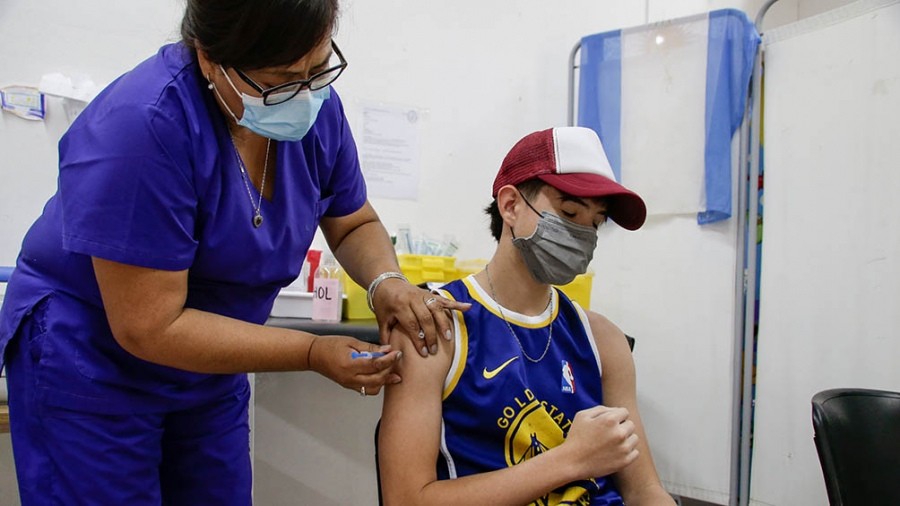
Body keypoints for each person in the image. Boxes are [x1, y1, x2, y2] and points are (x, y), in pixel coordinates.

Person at [0, 1, 467, 504]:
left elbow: (353, 221)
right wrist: (311, 352)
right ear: (208, 58)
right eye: (281, 79)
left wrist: (386, 282)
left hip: (208, 365)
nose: (305, 93)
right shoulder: (141, 127)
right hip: (93, 360)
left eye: (318, 68)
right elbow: (149, 325)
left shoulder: (314, 110)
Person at [378, 126, 676, 505]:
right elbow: (405, 500)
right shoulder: (438, 325)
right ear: (510, 206)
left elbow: (645, 491)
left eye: (595, 223)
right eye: (569, 212)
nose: (583, 236)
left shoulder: (602, 340)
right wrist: (570, 459)